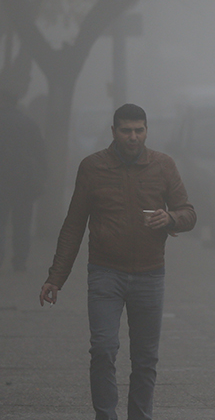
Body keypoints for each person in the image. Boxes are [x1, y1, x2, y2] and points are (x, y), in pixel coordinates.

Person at [39, 103, 196, 420]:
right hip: (105, 274)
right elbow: (73, 225)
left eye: (139, 130)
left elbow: (189, 214)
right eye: (126, 130)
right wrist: (56, 277)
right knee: (103, 349)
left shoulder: (163, 166)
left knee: (145, 359)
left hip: (150, 275)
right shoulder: (93, 167)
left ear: (146, 131)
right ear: (114, 132)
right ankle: (106, 415)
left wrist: (170, 218)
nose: (133, 137)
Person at [0, 89, 47, 273]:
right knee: (22, 224)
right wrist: (42, 176)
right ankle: (19, 262)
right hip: (24, 182)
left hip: (2, 181)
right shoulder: (29, 123)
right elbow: (40, 152)